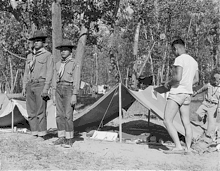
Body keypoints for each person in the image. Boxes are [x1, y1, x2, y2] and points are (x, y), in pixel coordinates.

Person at [163, 38, 199, 154]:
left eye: (173, 51)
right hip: (187, 94)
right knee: (186, 122)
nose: (173, 53)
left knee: (167, 120)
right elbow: (196, 80)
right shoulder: (194, 61)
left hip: (177, 93)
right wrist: (187, 84)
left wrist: (168, 83)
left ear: (176, 48)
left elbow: (177, 78)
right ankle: (188, 148)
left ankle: (178, 146)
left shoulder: (179, 59)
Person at [22, 30, 53, 140]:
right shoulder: (30, 56)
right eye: (34, 41)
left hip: (41, 84)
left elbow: (50, 72)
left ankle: (42, 134)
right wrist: (24, 86)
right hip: (30, 84)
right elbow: (26, 72)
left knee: (40, 111)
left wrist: (46, 87)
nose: (36, 43)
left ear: (44, 43)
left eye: (39, 41)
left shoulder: (47, 55)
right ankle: (34, 132)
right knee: (31, 111)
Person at [52, 39, 79, 148]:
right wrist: (53, 93)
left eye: (65, 50)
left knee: (68, 115)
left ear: (70, 51)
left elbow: (76, 79)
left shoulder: (74, 63)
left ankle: (69, 138)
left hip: (69, 88)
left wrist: (74, 94)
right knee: (59, 115)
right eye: (61, 50)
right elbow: (54, 79)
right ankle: (61, 136)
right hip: (59, 88)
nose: (63, 52)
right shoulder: (58, 64)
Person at [192, 68, 220, 140]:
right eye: (214, 81)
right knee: (198, 114)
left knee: (211, 123)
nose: (215, 82)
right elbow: (202, 89)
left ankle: (208, 136)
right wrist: (196, 93)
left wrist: (218, 108)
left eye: (217, 81)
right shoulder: (208, 85)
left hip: (213, 106)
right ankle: (203, 116)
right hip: (206, 103)